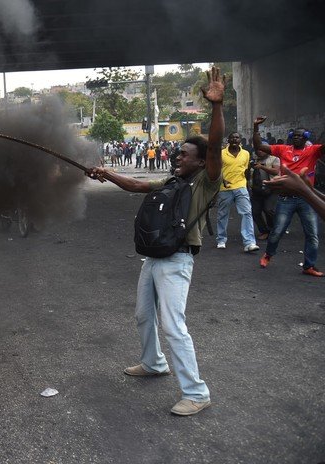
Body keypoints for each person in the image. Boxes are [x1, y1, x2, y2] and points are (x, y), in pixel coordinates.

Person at [85, 66, 226, 416]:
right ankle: (153, 362)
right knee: (143, 315)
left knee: (173, 326)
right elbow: (134, 186)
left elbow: (216, 147)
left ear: (199, 161)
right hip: (154, 258)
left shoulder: (205, 182)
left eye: (184, 155)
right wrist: (105, 173)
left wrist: (217, 107)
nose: (177, 157)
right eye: (178, 153)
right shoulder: (172, 182)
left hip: (178, 259)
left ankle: (196, 392)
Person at [253, 118, 324, 276]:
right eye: (295, 135)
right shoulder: (282, 149)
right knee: (277, 231)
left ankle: (309, 266)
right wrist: (256, 127)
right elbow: (259, 146)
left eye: (300, 136)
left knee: (312, 234)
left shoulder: (313, 150)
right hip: (286, 198)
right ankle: (268, 254)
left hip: (306, 198)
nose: (297, 137)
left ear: (306, 137)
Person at [216, 132, 259, 252]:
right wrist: (222, 179)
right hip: (225, 188)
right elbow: (216, 169)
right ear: (228, 140)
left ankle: (249, 242)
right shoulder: (221, 153)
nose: (235, 139)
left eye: (237, 137)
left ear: (240, 140)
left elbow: (246, 170)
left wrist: (248, 185)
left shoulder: (245, 153)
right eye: (232, 137)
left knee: (247, 213)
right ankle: (221, 239)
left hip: (241, 186)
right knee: (222, 214)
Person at [249, 144, 280, 240]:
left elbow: (275, 171)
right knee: (255, 212)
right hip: (256, 190)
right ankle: (264, 231)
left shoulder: (274, 159)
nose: (260, 151)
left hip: (271, 189)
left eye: (262, 150)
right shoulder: (254, 159)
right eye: (258, 150)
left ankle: (274, 230)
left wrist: (261, 167)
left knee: (269, 210)